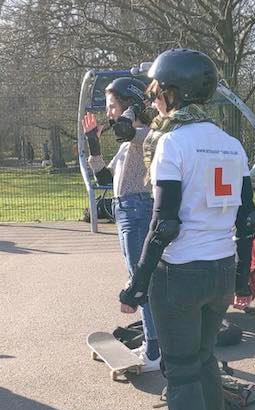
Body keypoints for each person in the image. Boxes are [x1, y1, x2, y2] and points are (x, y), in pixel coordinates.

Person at [120, 48, 255, 410]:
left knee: (179, 370)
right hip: (221, 268)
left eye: (157, 92)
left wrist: (136, 283)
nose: (154, 100)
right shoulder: (232, 144)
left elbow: (164, 224)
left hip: (179, 273)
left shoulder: (171, 144)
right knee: (203, 358)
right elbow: (248, 220)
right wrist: (242, 279)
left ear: (172, 93)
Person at [82, 77, 160, 372]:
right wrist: (93, 141)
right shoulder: (129, 143)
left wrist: (129, 113)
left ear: (130, 106)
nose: (109, 112)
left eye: (112, 106)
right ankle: (154, 345)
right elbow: (103, 178)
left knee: (141, 282)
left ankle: (154, 353)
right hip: (126, 210)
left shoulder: (145, 136)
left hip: (138, 210)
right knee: (139, 279)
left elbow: (129, 130)